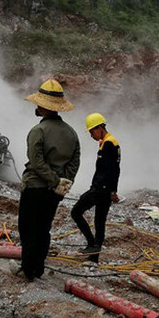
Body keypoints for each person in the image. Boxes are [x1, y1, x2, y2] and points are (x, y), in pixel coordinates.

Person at [15, 79, 80, 281]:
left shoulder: (38, 131)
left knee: (27, 228)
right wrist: (63, 182)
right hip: (54, 193)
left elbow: (36, 162)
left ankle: (27, 270)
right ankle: (38, 269)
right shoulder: (71, 133)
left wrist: (52, 180)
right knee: (44, 229)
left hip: (35, 187)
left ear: (43, 106)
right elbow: (74, 162)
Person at [71, 112, 120, 263]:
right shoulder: (107, 142)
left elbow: (112, 170)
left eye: (92, 131)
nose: (91, 135)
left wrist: (111, 191)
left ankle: (92, 245)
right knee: (99, 221)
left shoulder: (109, 144)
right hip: (104, 189)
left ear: (100, 128)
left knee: (76, 212)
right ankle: (94, 257)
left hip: (101, 189)